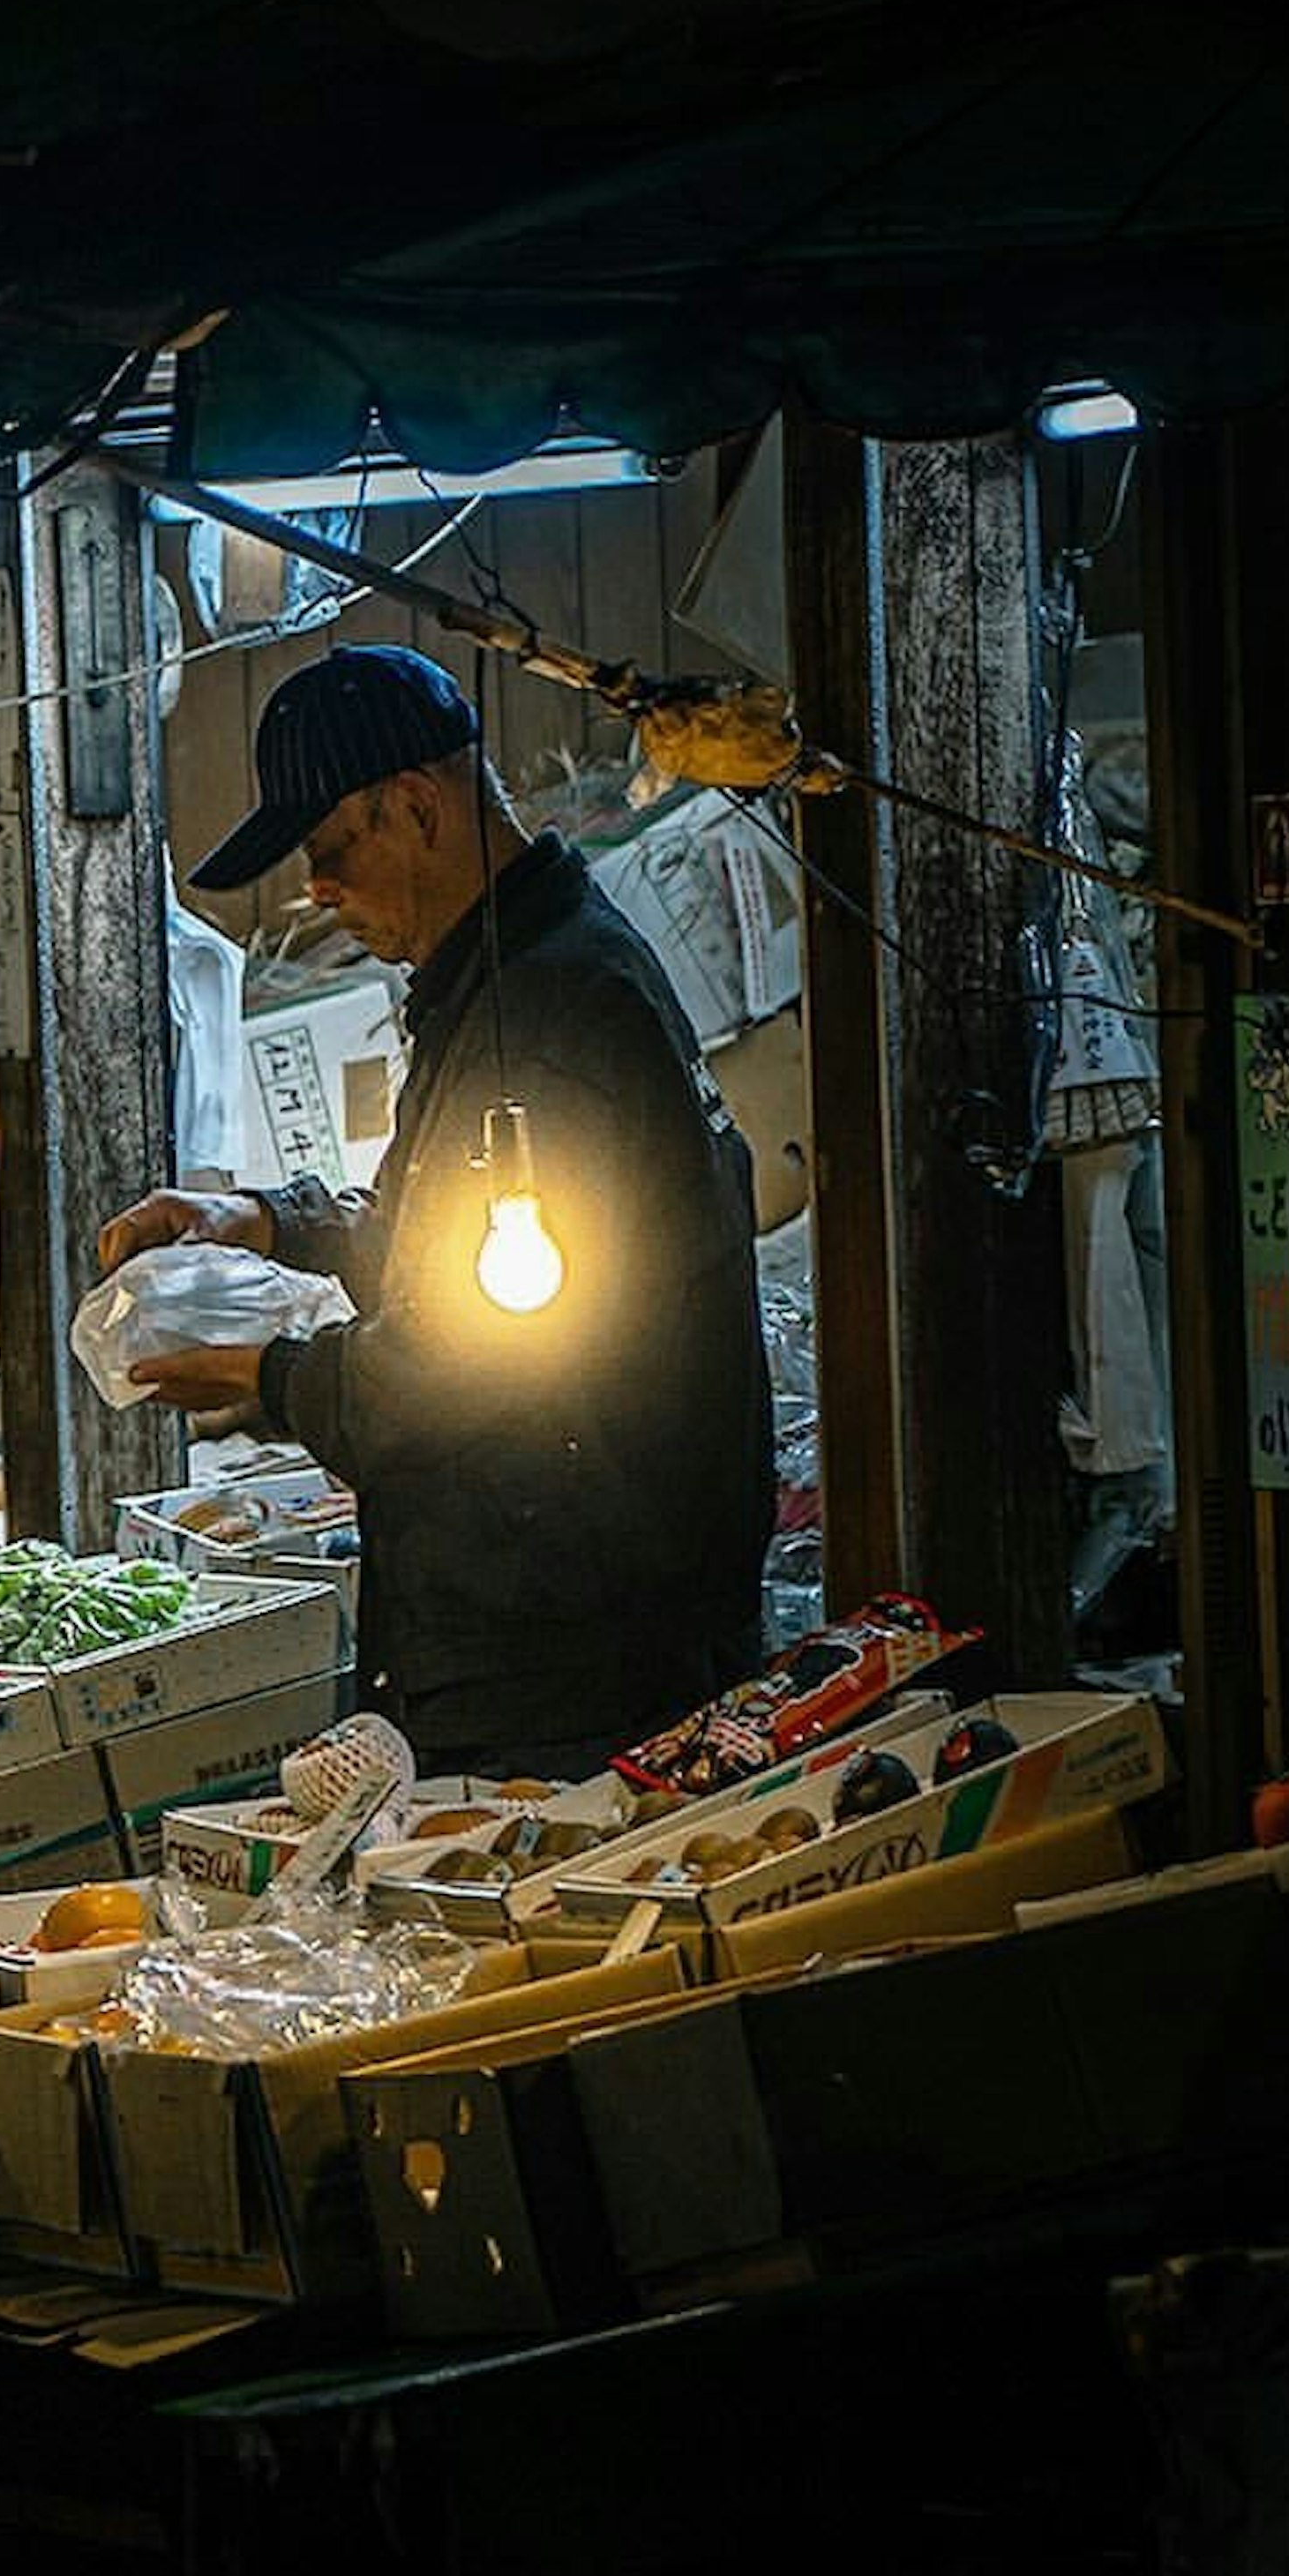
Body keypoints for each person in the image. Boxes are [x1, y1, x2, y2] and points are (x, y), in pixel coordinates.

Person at [102, 643, 771, 1781]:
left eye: (328, 854)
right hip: (541, 1622)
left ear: (411, 806)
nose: (316, 892)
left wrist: (268, 1374)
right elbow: (484, 1259)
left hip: (578, 1656)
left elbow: (485, 1357)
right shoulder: (515, 980)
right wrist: (270, 1222)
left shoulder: (551, 1018)